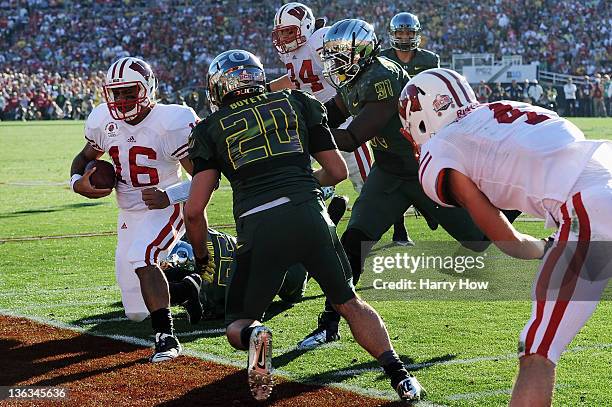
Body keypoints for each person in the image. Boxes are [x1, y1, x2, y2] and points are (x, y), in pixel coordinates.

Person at [184, 49, 424, 402]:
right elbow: (337, 172)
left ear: (218, 90)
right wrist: (301, 183)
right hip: (310, 214)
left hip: (258, 224)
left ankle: (255, 336)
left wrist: (203, 257)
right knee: (349, 303)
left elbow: (193, 210)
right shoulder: (296, 101)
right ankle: (401, 377)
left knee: (238, 320)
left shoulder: (209, 129)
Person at [298, 19, 519, 350]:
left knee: (476, 240)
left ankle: (511, 205)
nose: (331, 62)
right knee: (355, 241)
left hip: (423, 170)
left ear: (359, 51)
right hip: (388, 173)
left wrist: (304, 136)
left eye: (337, 54)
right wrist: (299, 121)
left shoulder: (382, 76)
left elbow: (353, 136)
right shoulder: (356, 75)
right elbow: (330, 113)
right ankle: (329, 323)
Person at [399, 67, 611, 407]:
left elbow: (507, 240)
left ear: (420, 117)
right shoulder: (506, 109)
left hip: (590, 212)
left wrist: (545, 249)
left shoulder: (441, 147)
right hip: (603, 181)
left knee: (538, 351)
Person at [69, 57, 199, 363]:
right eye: (117, 93)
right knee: (136, 310)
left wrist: (170, 195)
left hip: (166, 204)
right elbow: (82, 158)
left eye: (130, 91)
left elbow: (207, 178)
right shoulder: (104, 120)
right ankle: (186, 289)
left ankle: (166, 339)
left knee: (143, 257)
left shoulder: (172, 121)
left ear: (148, 88)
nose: (123, 99)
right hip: (129, 211)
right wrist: (79, 183)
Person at [268, 2, 371, 221]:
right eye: (281, 33)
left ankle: (398, 227)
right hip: (315, 120)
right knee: (297, 170)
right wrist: (266, 89)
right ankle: (321, 199)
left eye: (288, 31)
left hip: (343, 117)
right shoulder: (289, 53)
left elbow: (345, 69)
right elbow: (297, 78)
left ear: (305, 26)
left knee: (366, 179)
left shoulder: (319, 40)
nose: (284, 38)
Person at [379, 11, 440, 246]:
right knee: (395, 177)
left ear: (417, 34)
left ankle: (429, 209)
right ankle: (400, 230)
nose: (404, 37)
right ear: (393, 34)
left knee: (426, 170)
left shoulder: (429, 60)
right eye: (400, 32)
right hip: (392, 125)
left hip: (422, 125)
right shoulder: (383, 59)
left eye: (409, 32)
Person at [161, 229, 309, 321]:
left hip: (289, 272)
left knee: (294, 293)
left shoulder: (208, 293)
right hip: (270, 249)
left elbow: (215, 310)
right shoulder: (199, 234)